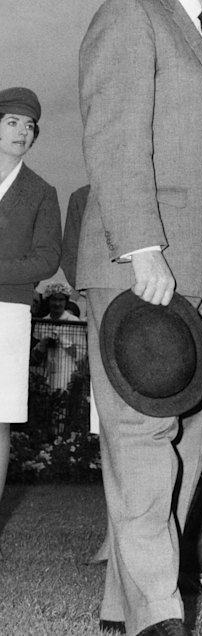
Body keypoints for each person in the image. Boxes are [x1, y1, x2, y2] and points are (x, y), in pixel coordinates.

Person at [77, 0, 202, 636]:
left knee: (185, 443)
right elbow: (114, 135)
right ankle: (160, 613)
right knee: (143, 439)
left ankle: (130, 605)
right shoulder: (130, 15)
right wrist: (142, 246)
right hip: (143, 269)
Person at [0, 86, 61, 507]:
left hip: (8, 314)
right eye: (12, 122)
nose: (22, 131)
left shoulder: (41, 191)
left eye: (30, 126)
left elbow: (47, 259)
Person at [32, 281, 83, 391]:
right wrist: (42, 344)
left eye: (61, 300)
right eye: (54, 299)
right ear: (48, 301)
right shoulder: (42, 323)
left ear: (66, 301)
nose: (57, 303)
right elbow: (35, 358)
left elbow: (81, 355)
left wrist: (64, 341)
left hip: (68, 375)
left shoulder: (74, 322)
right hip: (46, 376)